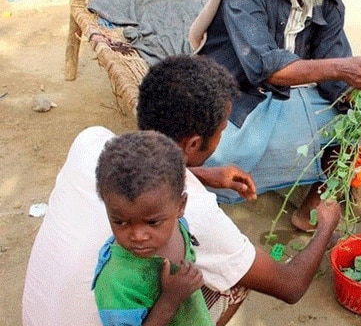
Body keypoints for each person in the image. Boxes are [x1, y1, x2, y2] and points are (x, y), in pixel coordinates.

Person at [22, 54, 341, 326]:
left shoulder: (93, 141)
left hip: (38, 315)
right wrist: (326, 225)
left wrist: (198, 172)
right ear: (192, 144)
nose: (223, 135)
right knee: (234, 280)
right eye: (221, 130)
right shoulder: (191, 209)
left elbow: (143, 174)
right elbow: (289, 286)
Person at [188, 0, 361, 231]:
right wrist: (340, 68)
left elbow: (335, 73)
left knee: (359, 124)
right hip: (236, 93)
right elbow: (268, 69)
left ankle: (311, 206)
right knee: (216, 156)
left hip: (287, 93)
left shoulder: (328, 0)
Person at [92, 131, 210, 325]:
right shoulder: (116, 283)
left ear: (180, 207)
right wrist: (170, 300)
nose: (138, 236)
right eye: (121, 222)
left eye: (152, 223)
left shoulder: (180, 227)